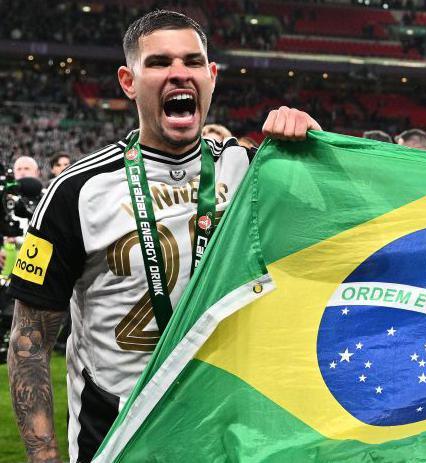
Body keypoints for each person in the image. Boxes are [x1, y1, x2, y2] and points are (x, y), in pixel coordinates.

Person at [6, 10, 319, 463]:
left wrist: (314, 151)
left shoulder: (254, 172)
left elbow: (338, 237)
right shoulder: (77, 192)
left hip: (229, 434)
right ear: (128, 81)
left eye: (193, 62)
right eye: (158, 63)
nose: (179, 73)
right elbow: (29, 341)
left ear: (211, 77)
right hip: (116, 437)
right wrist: (42, 458)